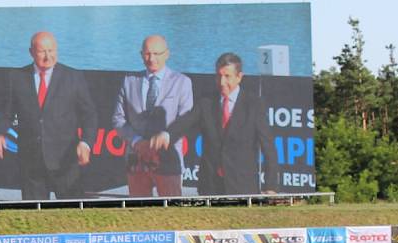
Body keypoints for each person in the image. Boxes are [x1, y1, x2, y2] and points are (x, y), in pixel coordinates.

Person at [151, 52, 278, 196]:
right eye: (218, 76)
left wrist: (271, 186)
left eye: (227, 76)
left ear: (239, 77)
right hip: (210, 186)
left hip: (242, 187)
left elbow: (269, 148)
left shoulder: (254, 105)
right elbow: (186, 121)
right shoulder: (206, 102)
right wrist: (167, 134)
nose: (222, 82)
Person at [0, 31, 98, 200]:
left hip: (66, 163)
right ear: (31, 52)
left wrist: (86, 143)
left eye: (52, 50)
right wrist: (0, 133)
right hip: (31, 163)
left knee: (71, 215)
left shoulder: (73, 77)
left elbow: (89, 115)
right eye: (42, 51)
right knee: (34, 217)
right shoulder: (16, 78)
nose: (48, 56)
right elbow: (5, 112)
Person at [111, 34, 193, 197]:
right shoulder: (129, 81)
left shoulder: (182, 82)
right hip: (136, 161)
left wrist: (165, 138)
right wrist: (136, 141)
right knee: (139, 213)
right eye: (147, 54)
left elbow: (186, 120)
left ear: (167, 54)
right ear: (141, 54)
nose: (151, 58)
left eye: (157, 54)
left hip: (168, 160)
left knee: (172, 214)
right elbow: (118, 119)